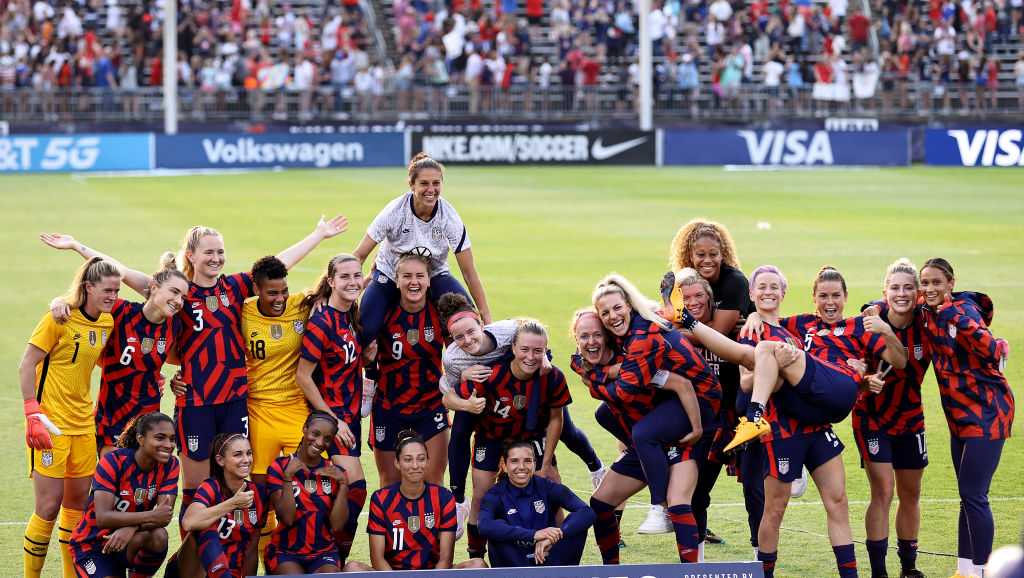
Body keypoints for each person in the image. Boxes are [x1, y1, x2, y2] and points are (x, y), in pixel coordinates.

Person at [37, 217, 349, 518]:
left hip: (233, 401)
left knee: (236, 484)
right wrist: (79, 248)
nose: (216, 258)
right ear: (191, 255)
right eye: (209, 252)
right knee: (196, 489)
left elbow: (278, 265)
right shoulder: (178, 293)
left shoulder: (236, 287)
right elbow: (121, 272)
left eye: (220, 252)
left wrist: (318, 235)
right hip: (195, 404)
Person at [687, 265, 904, 577]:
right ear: (752, 294)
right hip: (783, 431)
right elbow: (746, 382)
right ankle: (766, 572)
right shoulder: (755, 329)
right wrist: (774, 368)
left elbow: (893, 355)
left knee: (838, 500)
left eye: (774, 287)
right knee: (774, 510)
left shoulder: (795, 329)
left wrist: (861, 369)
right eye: (762, 287)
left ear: (784, 293)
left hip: (817, 426)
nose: (768, 292)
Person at [437, 292, 606, 536]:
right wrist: (466, 402)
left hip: (517, 371)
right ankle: (459, 500)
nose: (466, 339)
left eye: (471, 332)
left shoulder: (507, 333)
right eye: (458, 337)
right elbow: (447, 394)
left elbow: (530, 333)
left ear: (482, 324)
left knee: (562, 426)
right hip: (484, 389)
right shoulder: (453, 356)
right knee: (461, 428)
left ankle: (596, 467)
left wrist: (544, 357)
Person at [591, 273, 720, 561]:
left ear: (628, 305)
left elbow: (623, 391)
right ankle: (612, 569)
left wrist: (594, 373)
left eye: (617, 308)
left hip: (701, 400)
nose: (612, 316)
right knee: (600, 502)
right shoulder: (624, 335)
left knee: (645, 436)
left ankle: (659, 506)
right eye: (605, 313)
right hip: (670, 402)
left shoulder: (641, 336)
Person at [20, 257, 120, 578]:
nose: (113, 297)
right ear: (88, 287)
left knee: (76, 509)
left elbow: (96, 361)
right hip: (50, 423)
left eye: (116, 291)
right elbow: (26, 364)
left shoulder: (106, 322)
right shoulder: (58, 318)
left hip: (83, 426)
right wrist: (31, 411)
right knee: (48, 507)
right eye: (107, 290)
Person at [41, 247, 189, 457]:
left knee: (140, 483)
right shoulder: (121, 312)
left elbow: (180, 358)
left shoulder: (174, 325)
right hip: (112, 416)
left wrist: (177, 377)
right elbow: (90, 300)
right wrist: (60, 301)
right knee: (110, 483)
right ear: (153, 287)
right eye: (174, 292)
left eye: (182, 296)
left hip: (148, 421)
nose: (179, 301)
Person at [918, 258, 1014, 578]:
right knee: (966, 494)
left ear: (950, 283)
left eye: (936, 283)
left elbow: (989, 347)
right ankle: (964, 571)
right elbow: (898, 299)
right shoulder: (926, 309)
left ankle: (983, 572)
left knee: (975, 495)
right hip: (959, 418)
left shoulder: (960, 312)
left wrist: (996, 344)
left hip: (988, 414)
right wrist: (872, 307)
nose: (930, 289)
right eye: (925, 283)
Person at [452, 320, 572, 559]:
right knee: (481, 495)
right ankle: (476, 555)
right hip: (492, 436)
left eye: (538, 351)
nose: (530, 357)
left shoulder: (553, 376)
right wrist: (466, 401)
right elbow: (450, 396)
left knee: (552, 487)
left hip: (530, 438)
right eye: (525, 350)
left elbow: (556, 420)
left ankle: (562, 552)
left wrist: (546, 464)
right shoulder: (490, 375)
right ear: (513, 349)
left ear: (545, 351)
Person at [352, 153, 491, 348]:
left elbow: (469, 272)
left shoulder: (449, 217)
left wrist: (485, 316)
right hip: (390, 274)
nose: (431, 190)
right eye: (424, 183)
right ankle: (371, 375)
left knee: (466, 320)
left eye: (436, 183)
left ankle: (461, 374)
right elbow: (359, 255)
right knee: (367, 329)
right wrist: (335, 292)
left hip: (434, 275)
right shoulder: (394, 212)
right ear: (412, 185)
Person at [669, 269, 757, 560]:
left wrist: (754, 315)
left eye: (698, 296)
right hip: (702, 426)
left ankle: (761, 560)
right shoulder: (673, 334)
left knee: (755, 495)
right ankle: (696, 563)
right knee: (696, 494)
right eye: (686, 297)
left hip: (736, 423)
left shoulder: (733, 330)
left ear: (711, 300)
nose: (693, 302)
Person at [856, 259, 931, 578]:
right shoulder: (869, 319)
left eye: (908, 287)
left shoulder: (927, 322)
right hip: (872, 417)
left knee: (911, 493)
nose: (902, 294)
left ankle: (908, 567)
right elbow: (850, 360)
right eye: (895, 288)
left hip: (910, 415)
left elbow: (910, 370)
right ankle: (878, 571)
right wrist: (862, 377)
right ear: (885, 291)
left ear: (918, 293)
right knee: (883, 490)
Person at [296, 254, 367, 565]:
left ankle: (328, 556)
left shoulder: (349, 314)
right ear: (331, 281)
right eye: (345, 277)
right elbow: (303, 376)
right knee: (356, 487)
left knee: (341, 489)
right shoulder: (322, 322)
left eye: (357, 276)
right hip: (331, 419)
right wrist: (333, 420)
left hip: (349, 417)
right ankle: (331, 556)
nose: (353, 282)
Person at [239, 256, 311, 561]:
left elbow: (338, 288)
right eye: (272, 293)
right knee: (258, 500)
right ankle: (261, 563)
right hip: (258, 412)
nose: (280, 299)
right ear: (256, 288)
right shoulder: (241, 311)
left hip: (296, 409)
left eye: (283, 291)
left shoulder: (301, 305)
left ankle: (298, 558)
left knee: (308, 489)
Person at [345, 430, 487, 571]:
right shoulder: (381, 498)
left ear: (427, 461)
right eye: (408, 459)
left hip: (433, 573)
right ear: (397, 463)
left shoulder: (444, 497)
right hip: (393, 574)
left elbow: (445, 559)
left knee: (478, 565)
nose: (415, 465)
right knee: (352, 568)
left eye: (420, 459)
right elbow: (377, 558)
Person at [370, 252, 449, 487]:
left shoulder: (440, 311)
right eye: (406, 276)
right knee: (391, 482)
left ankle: (438, 524)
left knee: (433, 481)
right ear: (396, 280)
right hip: (389, 406)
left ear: (428, 280)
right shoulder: (383, 313)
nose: (413, 282)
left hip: (431, 405)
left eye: (419, 276)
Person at [70, 412, 179, 578]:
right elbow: (103, 517)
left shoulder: (170, 465)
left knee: (159, 536)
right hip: (92, 545)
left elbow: (163, 516)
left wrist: (132, 527)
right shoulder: (113, 462)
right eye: (160, 438)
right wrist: (150, 516)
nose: (168, 444)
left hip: (128, 541)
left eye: (172, 439)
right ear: (141, 439)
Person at [478, 442, 596, 567]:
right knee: (498, 528)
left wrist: (554, 536)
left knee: (576, 525)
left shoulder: (546, 487)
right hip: (515, 564)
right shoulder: (495, 494)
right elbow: (484, 525)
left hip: (547, 558)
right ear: (504, 466)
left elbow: (587, 512)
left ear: (534, 464)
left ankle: (563, 573)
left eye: (528, 461)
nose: (522, 466)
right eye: (514, 461)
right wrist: (533, 535)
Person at [264, 411, 350, 575]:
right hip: (286, 551)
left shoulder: (335, 473)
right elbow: (287, 518)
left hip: (323, 552)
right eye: (315, 434)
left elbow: (337, 526)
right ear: (304, 429)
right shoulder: (279, 467)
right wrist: (288, 478)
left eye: (327, 438)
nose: (319, 442)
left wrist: (344, 486)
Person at [170, 434, 265, 578]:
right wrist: (232, 503)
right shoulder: (211, 487)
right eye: (238, 455)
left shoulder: (257, 493)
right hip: (195, 571)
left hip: (232, 571)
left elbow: (252, 549)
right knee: (203, 525)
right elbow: (189, 522)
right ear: (220, 460)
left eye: (249, 453)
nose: (246, 460)